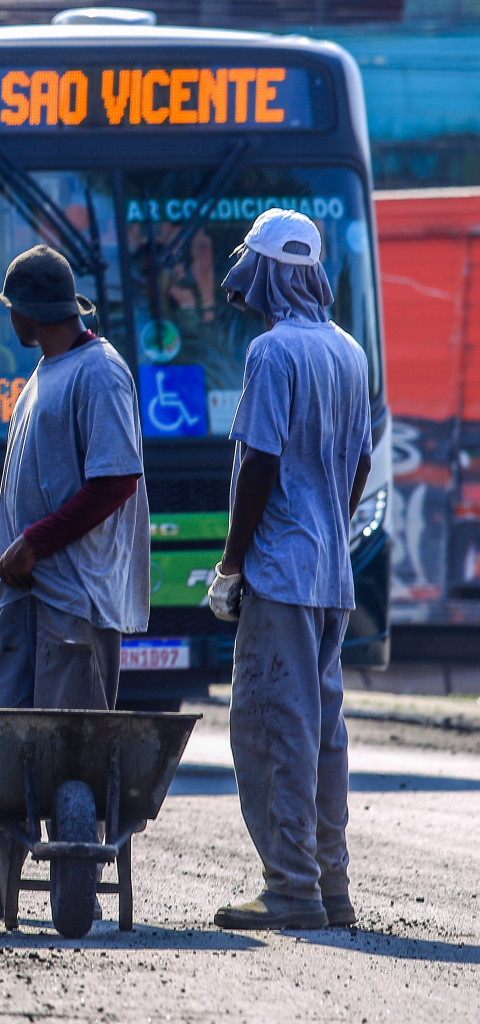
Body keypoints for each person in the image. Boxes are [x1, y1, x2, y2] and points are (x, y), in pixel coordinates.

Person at [0, 245, 149, 921]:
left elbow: (114, 481)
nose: (8, 318)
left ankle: (78, 882)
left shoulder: (98, 373)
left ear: (31, 312)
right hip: (24, 595)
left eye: (12, 307)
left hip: (72, 597)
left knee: (68, 748)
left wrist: (36, 546)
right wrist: (3, 585)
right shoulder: (46, 372)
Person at [208, 209, 371, 932]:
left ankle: (290, 887)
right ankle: (328, 884)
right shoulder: (349, 351)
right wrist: (329, 524)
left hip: (279, 572)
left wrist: (232, 562)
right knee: (324, 733)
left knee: (275, 727)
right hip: (332, 575)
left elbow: (261, 464)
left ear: (269, 273)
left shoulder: (272, 355)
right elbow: (361, 461)